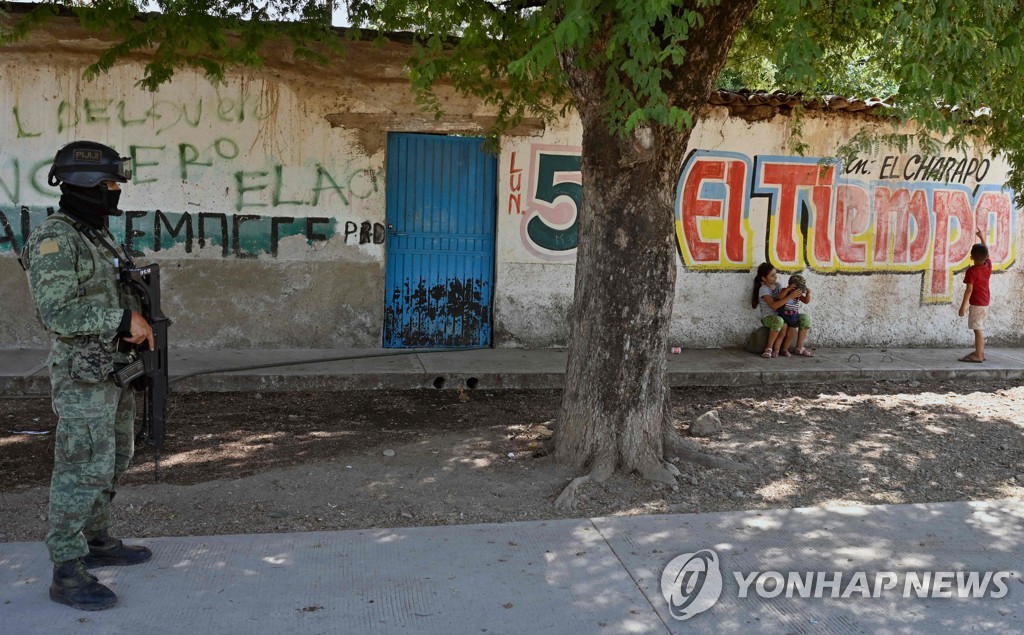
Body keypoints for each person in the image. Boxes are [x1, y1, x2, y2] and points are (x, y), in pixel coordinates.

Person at [21, 141, 155, 611]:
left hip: (112, 369)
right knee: (80, 467)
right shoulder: (56, 239)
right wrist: (121, 321)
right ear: (86, 185)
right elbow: (57, 313)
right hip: (82, 377)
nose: (116, 193)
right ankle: (67, 569)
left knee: (115, 456)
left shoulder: (95, 233)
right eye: (110, 184)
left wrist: (141, 322)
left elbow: (115, 288)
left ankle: (96, 539)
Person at [750, 262, 802, 358]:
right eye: (772, 275)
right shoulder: (763, 290)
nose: (775, 277)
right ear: (764, 278)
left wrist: (793, 290)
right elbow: (774, 306)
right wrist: (790, 296)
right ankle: (768, 348)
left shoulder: (778, 285)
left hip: (781, 315)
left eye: (775, 274)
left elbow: (782, 297)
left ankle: (795, 348)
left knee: (801, 319)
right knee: (779, 321)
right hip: (768, 317)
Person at [958, 229, 991, 363]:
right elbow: (986, 253)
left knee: (977, 329)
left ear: (971, 257)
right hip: (985, 302)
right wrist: (982, 236)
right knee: (979, 327)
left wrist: (963, 307)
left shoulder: (971, 271)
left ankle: (978, 355)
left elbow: (969, 290)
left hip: (977, 303)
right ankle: (980, 353)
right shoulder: (988, 265)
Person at [778, 274, 814, 357]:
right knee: (783, 333)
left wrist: (808, 294)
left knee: (790, 335)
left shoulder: (798, 294)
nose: (797, 290)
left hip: (793, 317)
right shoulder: (785, 290)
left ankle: (785, 350)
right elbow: (780, 297)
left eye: (799, 288)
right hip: (784, 315)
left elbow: (806, 301)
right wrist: (787, 289)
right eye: (795, 287)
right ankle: (776, 349)